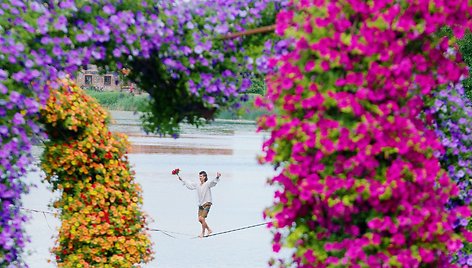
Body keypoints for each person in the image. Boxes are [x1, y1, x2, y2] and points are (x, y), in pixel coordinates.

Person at [176, 170, 222, 238]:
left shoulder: (207, 184)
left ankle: (203, 233)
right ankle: (209, 230)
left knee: (202, 218)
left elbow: (213, 182)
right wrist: (182, 180)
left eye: (201, 176)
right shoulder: (197, 184)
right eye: (199, 176)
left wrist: (217, 177)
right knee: (200, 219)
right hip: (201, 204)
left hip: (207, 203)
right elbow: (190, 184)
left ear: (204, 177)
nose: (200, 178)